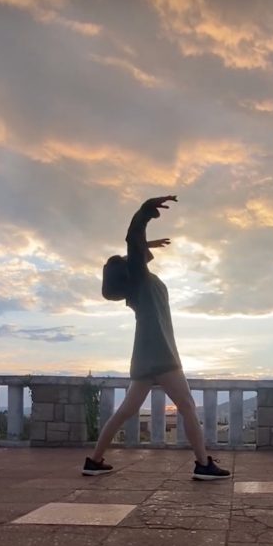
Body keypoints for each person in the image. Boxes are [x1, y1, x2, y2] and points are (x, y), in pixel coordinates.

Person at [82, 196, 231, 480]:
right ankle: (202, 464)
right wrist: (145, 212)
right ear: (127, 268)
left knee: (125, 411)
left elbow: (134, 249)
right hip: (161, 353)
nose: (133, 257)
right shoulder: (139, 279)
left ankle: (94, 460)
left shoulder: (136, 284)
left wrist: (147, 244)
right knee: (187, 405)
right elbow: (131, 240)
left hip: (144, 356)